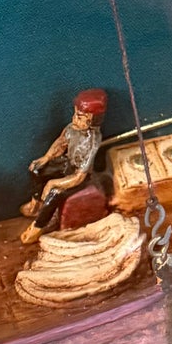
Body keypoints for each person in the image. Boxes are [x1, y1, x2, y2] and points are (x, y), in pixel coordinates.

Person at [20, 89, 108, 243]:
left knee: (54, 192)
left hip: (80, 176)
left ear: (91, 120)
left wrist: (53, 183)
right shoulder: (72, 128)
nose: (74, 119)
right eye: (75, 114)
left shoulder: (92, 141)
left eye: (79, 117)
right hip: (67, 163)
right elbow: (61, 143)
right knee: (36, 168)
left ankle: (38, 226)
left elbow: (79, 177)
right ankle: (36, 205)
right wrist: (47, 157)